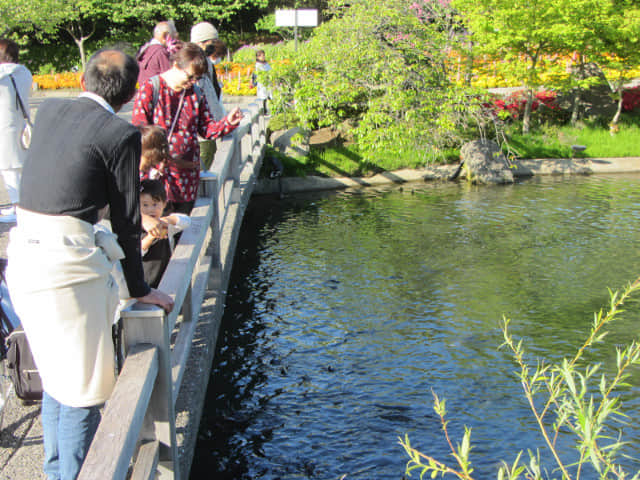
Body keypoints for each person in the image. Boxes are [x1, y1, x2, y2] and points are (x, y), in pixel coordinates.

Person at [6, 49, 174, 480]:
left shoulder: (51, 110)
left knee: (55, 377)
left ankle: (57, 471)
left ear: (83, 80)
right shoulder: (119, 135)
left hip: (24, 253)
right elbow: (127, 220)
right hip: (68, 266)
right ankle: (74, 474)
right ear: (131, 94)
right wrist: (140, 289)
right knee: (81, 386)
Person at [132, 42, 243, 215]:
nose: (192, 82)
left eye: (197, 78)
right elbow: (139, 131)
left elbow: (207, 129)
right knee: (158, 229)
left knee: (183, 227)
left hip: (186, 178)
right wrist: (154, 158)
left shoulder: (195, 93)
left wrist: (228, 122)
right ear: (176, 65)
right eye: (190, 76)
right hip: (157, 177)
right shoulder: (150, 88)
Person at [0, 38, 32, 223]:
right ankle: (22, 206)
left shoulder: (2, 76)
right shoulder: (24, 72)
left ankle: (17, 209)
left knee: (8, 169)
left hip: (3, 127)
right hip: (20, 126)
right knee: (19, 167)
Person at [140, 178, 191, 288]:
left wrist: (166, 221)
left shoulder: (165, 225)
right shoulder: (135, 229)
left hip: (166, 280)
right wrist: (150, 237)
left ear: (164, 204)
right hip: (144, 285)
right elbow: (137, 252)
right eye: (145, 205)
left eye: (155, 204)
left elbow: (186, 221)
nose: (150, 209)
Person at [136, 20, 178, 86]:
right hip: (155, 93)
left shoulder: (145, 49)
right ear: (165, 36)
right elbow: (170, 78)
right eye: (173, 38)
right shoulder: (161, 52)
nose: (175, 41)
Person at [252, 49, 271, 114]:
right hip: (262, 83)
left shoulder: (266, 63)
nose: (263, 57)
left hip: (268, 82)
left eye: (264, 55)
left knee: (270, 95)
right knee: (263, 97)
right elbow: (259, 74)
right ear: (258, 57)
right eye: (261, 56)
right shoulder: (258, 65)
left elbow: (270, 70)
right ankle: (264, 111)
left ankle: (271, 109)